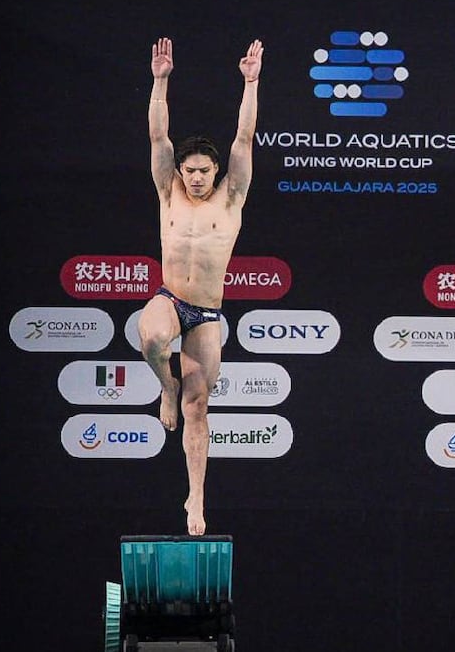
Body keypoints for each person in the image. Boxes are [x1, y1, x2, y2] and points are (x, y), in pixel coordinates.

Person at [137, 37, 263, 536]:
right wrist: (161, 80)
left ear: (217, 173)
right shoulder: (167, 189)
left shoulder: (231, 197)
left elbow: (244, 140)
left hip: (206, 315)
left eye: (202, 172)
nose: (193, 179)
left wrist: (251, 83)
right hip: (170, 299)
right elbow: (157, 138)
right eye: (188, 172)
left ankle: (195, 499)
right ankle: (164, 387)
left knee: (198, 406)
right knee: (150, 338)